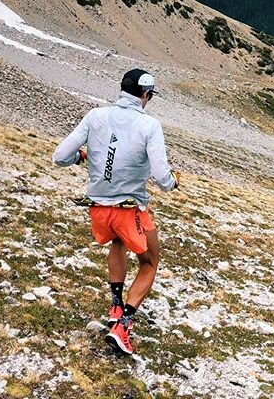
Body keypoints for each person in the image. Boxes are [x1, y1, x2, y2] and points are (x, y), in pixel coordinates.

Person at [52, 68, 179, 355]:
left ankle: (115, 305)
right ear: (146, 94)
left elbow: (60, 157)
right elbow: (161, 176)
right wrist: (173, 182)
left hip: (98, 208)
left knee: (118, 242)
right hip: (128, 208)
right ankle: (123, 325)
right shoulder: (149, 125)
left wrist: (79, 157)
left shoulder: (96, 116)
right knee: (149, 263)